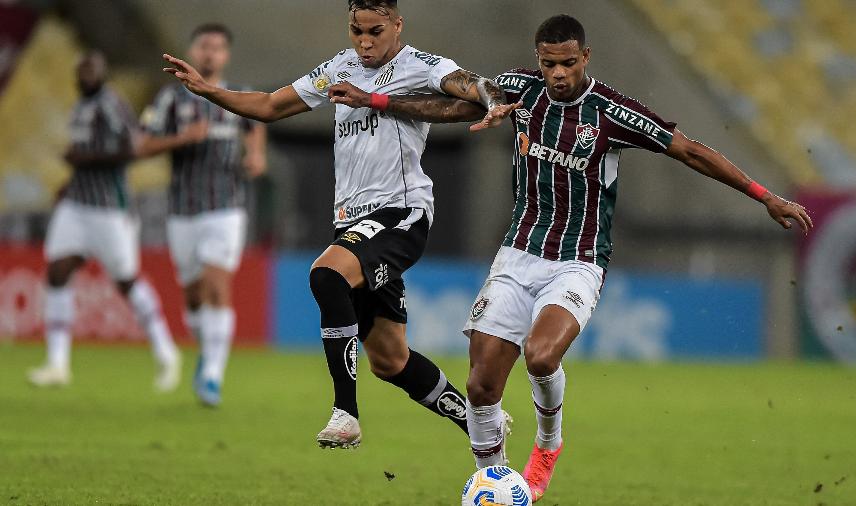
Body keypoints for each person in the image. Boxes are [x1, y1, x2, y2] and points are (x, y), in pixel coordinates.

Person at [333, 14, 814, 502]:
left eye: (567, 64)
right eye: (548, 64)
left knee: (540, 356)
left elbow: (688, 151)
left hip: (577, 261)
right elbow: (454, 108)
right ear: (537, 59)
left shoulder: (611, 113)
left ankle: (547, 444)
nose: (558, 74)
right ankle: (495, 483)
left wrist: (763, 196)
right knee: (480, 388)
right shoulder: (519, 90)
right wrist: (376, 100)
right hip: (517, 255)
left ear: (584, 58)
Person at [159, 0, 518, 447]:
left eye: (375, 31)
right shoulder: (339, 68)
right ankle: (480, 423)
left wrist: (490, 98)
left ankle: (345, 413)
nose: (365, 42)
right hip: (351, 223)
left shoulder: (420, 64)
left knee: (327, 275)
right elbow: (270, 105)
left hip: (399, 214)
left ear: (397, 25)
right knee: (390, 360)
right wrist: (206, 90)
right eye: (356, 31)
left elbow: (468, 87)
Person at [28, 50, 181, 392]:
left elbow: (132, 149)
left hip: (110, 208)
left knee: (125, 280)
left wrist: (83, 160)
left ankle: (165, 351)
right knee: (57, 271)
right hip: (77, 204)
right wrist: (69, 182)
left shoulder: (111, 104)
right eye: (82, 71)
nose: (86, 76)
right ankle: (57, 364)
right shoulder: (79, 106)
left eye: (92, 71)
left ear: (102, 74)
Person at [140, 23, 268, 407]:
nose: (210, 53)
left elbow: (255, 127)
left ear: (225, 55)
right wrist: (181, 138)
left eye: (217, 47)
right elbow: (143, 143)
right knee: (194, 296)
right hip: (183, 210)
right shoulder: (169, 100)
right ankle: (206, 352)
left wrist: (256, 154)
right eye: (204, 46)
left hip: (226, 207)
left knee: (217, 285)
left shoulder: (238, 95)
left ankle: (212, 375)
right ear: (193, 51)